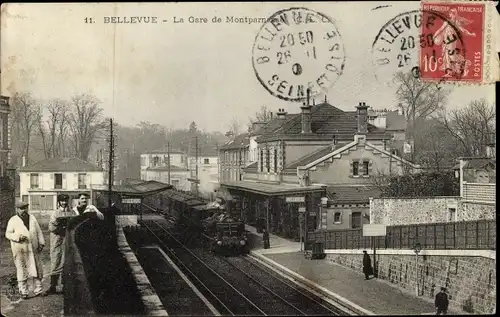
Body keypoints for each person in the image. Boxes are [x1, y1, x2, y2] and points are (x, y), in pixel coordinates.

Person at [5, 202, 45, 299]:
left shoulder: (32, 218)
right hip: (20, 249)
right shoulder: (13, 220)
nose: (23, 210)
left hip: (33, 247)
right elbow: (8, 234)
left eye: (25, 208)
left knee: (36, 268)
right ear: (17, 209)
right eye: (21, 208)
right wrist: (18, 237)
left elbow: (38, 231)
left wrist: (41, 242)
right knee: (22, 269)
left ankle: (38, 290)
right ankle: (23, 291)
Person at [43, 194, 77, 296]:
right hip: (57, 240)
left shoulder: (72, 212)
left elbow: (75, 224)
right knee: (55, 261)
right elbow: (51, 227)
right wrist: (61, 227)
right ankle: (53, 286)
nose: (64, 203)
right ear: (59, 202)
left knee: (66, 262)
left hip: (67, 240)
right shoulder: (55, 213)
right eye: (62, 201)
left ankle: (64, 286)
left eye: (66, 201)